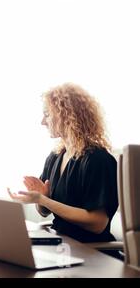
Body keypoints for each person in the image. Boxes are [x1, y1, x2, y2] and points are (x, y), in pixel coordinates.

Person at [8, 83, 118, 243]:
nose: (42, 122)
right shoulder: (55, 156)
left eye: (47, 114)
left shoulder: (98, 160)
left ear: (67, 115)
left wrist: (43, 199)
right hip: (60, 243)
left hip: (90, 250)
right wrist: (42, 198)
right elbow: (44, 211)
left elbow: (97, 223)